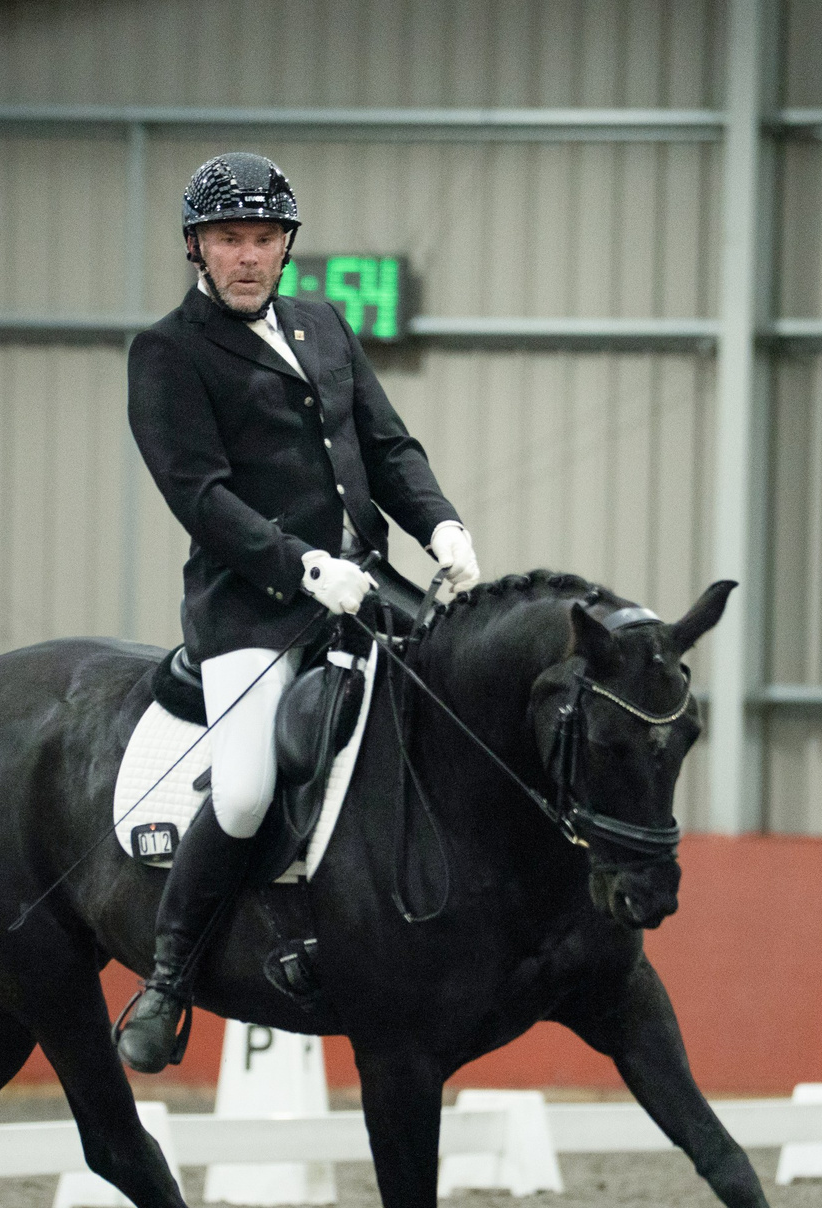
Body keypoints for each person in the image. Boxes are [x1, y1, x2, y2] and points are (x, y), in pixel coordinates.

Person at [116, 151, 481, 1072]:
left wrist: (441, 527)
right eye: (229, 239)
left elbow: (387, 447)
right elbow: (199, 495)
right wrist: (302, 565)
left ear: (286, 247)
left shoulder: (322, 324)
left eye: (264, 239)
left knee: (452, 723)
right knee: (243, 787)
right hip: (254, 609)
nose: (248, 255)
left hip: (370, 592)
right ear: (198, 248)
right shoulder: (169, 350)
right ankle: (168, 977)